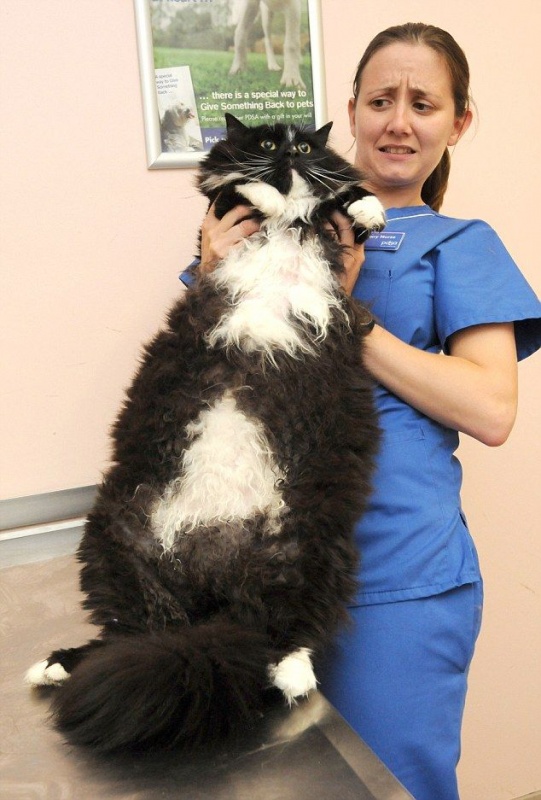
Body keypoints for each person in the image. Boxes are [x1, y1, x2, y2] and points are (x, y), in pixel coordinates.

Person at [183, 23, 541, 800]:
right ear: (350, 111)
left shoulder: (459, 243)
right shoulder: (269, 223)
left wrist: (343, 312)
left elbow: (489, 409)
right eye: (380, 101)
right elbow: (202, 383)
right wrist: (211, 273)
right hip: (255, 575)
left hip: (395, 575)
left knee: (394, 785)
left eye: (423, 104)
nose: (398, 121)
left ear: (458, 122)